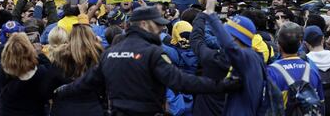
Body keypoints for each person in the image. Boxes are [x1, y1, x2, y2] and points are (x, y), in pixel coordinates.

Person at [55, 6, 241, 115]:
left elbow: (85, 83)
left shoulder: (110, 52)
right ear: (143, 24)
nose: (162, 27)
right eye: (158, 23)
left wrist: (60, 91)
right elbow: (182, 82)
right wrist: (223, 85)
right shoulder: (153, 53)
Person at [201, 0, 267, 116]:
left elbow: (230, 47)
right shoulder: (253, 57)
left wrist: (211, 15)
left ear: (234, 37)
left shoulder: (248, 57)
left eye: (227, 33)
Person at [0, 33, 61, 116]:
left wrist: (9, 45)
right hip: (34, 111)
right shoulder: (40, 71)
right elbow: (52, 74)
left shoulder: (0, 69)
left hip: (7, 111)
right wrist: (40, 54)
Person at [267, 22, 324, 114]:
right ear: (300, 43)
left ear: (278, 45)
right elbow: (321, 103)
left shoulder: (271, 71)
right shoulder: (312, 68)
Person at [50, 24, 104, 116]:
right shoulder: (99, 56)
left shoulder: (60, 57)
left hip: (64, 107)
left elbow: (50, 84)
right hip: (92, 106)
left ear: (70, 37)